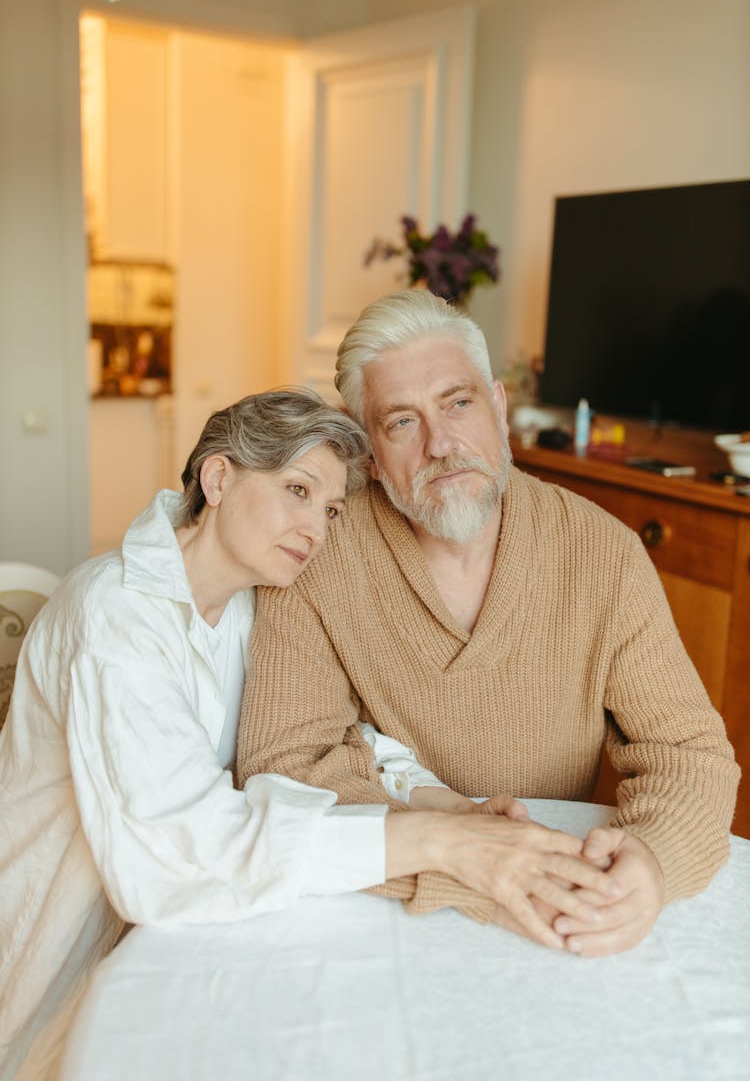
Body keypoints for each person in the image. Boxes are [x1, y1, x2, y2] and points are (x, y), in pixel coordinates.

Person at [0, 388, 616, 1081]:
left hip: (189, 942)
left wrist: (438, 801)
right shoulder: (114, 617)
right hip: (51, 984)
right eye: (297, 489)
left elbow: (328, 733)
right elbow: (181, 847)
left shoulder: (249, 605)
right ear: (219, 477)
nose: (316, 529)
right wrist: (437, 842)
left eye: (328, 510)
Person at [237, 291, 740, 957]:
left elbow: (691, 756)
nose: (441, 444)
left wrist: (651, 862)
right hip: (373, 914)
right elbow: (285, 771)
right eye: (401, 423)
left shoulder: (603, 553)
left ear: (499, 408)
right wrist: (463, 861)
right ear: (369, 454)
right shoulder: (318, 554)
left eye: (458, 402)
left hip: (554, 912)